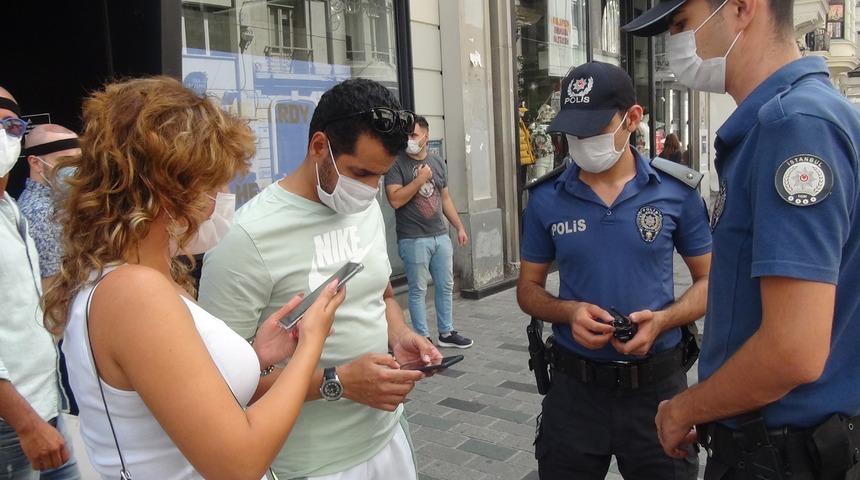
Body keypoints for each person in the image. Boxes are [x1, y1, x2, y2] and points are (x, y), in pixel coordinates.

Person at [42, 76, 344, 480]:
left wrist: (256, 355)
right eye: (216, 181)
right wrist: (312, 342)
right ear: (172, 188)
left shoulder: (129, 278)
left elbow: (176, 393)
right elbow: (238, 463)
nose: (222, 197)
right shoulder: (135, 291)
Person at [624, 0, 860, 478]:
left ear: (740, 8)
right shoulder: (790, 120)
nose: (676, 45)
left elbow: (791, 350)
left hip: (782, 453)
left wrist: (684, 409)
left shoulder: (794, 128)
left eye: (682, 24)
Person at [199, 78, 442, 480]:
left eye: (380, 176)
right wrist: (338, 382)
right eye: (360, 173)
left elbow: (380, 294)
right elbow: (220, 384)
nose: (370, 190)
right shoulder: (245, 238)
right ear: (318, 147)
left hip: (387, 438)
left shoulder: (362, 206)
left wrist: (399, 334)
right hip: (307, 463)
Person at [516, 61, 712, 479]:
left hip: (657, 391)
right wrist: (568, 312)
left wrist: (662, 320)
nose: (583, 142)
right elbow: (528, 290)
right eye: (574, 133)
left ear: (632, 119)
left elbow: (711, 281)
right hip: (574, 392)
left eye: (594, 130)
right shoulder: (546, 199)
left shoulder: (675, 192)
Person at [0, 88, 81, 479]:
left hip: (42, 401)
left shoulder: (10, 210)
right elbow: (54, 297)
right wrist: (26, 423)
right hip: (14, 419)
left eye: (12, 124)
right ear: (36, 163)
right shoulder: (39, 212)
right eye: (68, 163)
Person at [384, 115, 473, 348]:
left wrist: (459, 227)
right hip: (413, 238)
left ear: (426, 136)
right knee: (418, 289)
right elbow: (394, 199)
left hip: (439, 235)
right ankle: (423, 337)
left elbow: (445, 198)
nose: (409, 139)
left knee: (445, 285)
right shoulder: (396, 164)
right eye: (407, 135)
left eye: (413, 135)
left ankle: (446, 332)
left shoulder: (437, 163)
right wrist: (420, 179)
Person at [18, 124, 81, 291]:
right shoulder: (43, 213)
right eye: (65, 161)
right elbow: (54, 290)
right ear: (36, 163)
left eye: (79, 161)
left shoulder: (60, 199)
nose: (76, 169)